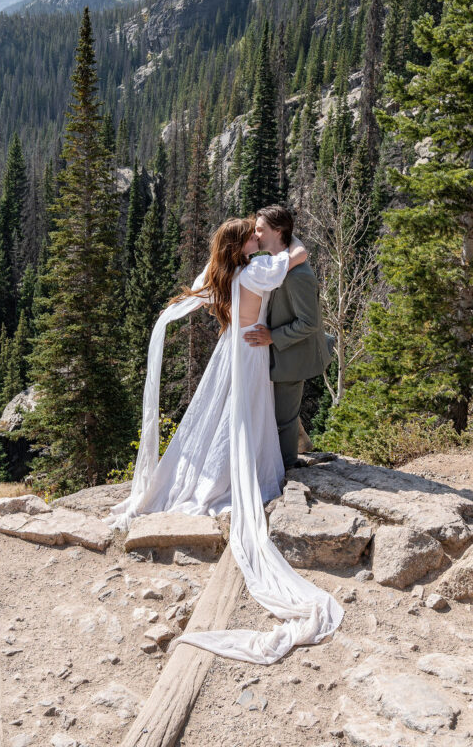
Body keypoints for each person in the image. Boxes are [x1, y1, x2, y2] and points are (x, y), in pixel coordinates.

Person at [107, 216, 343, 664]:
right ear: (242, 245)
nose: (259, 236)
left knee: (221, 416)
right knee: (246, 415)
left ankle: (215, 470)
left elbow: (204, 281)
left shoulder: (225, 270)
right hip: (252, 351)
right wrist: (290, 247)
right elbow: (296, 256)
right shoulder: (256, 271)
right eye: (252, 234)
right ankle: (239, 473)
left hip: (231, 345)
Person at [244, 205, 334, 468]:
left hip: (290, 357)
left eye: (260, 229)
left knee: (283, 420)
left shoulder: (298, 276)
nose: (255, 234)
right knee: (275, 415)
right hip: (274, 353)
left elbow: (309, 322)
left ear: (278, 231)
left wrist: (273, 336)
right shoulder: (276, 265)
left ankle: (286, 471)